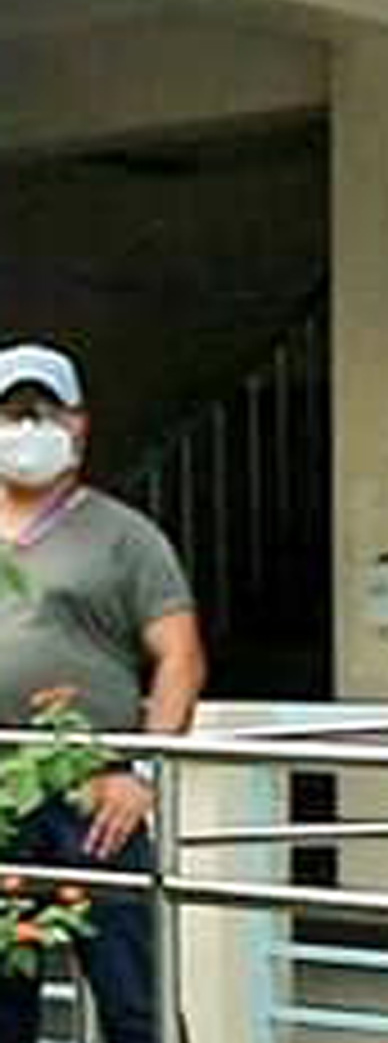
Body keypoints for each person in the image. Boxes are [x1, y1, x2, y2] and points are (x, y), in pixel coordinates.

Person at [0, 343, 206, 1043]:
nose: (27, 428)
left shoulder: (125, 537)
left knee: (133, 995)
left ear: (79, 424)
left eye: (43, 411)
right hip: (4, 789)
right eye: (12, 413)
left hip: (93, 790)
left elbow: (180, 657)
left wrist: (143, 770)